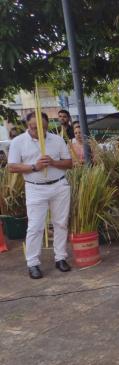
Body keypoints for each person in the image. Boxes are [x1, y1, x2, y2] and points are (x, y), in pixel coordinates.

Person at [7, 112, 73, 279]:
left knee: (61, 223)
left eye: (42, 128)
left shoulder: (57, 140)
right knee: (35, 227)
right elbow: (12, 167)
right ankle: (33, 263)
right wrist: (34, 167)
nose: (38, 131)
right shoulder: (18, 142)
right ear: (27, 126)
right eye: (34, 128)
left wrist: (53, 162)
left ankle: (60, 258)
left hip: (59, 185)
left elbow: (69, 163)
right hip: (35, 188)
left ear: (47, 126)